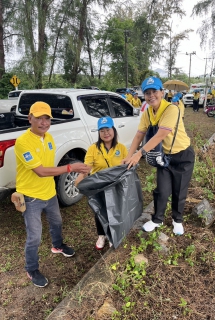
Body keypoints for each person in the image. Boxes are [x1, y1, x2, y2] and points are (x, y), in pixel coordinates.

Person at [14, 101, 90, 288]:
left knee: (56, 222)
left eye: (47, 118)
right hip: (31, 197)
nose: (43, 122)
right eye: (38, 118)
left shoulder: (49, 138)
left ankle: (57, 246)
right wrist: (71, 167)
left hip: (49, 193)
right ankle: (31, 269)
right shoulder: (23, 142)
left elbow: (51, 166)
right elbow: (40, 171)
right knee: (35, 236)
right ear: (29, 118)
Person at [123, 76, 195, 235]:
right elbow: (139, 135)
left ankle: (177, 220)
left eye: (154, 91)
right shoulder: (147, 112)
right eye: (147, 93)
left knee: (179, 190)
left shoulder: (172, 109)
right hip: (165, 158)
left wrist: (139, 154)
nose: (151, 96)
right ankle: (157, 219)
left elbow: (161, 135)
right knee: (161, 190)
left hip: (183, 156)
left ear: (162, 92)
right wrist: (129, 156)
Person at [75, 116, 128, 250]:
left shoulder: (121, 148)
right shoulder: (93, 148)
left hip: (116, 185)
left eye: (108, 129)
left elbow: (126, 166)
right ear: (99, 133)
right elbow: (87, 167)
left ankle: (113, 234)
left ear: (114, 130)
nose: (106, 133)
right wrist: (80, 177)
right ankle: (101, 234)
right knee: (100, 210)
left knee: (115, 209)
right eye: (102, 131)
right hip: (99, 186)